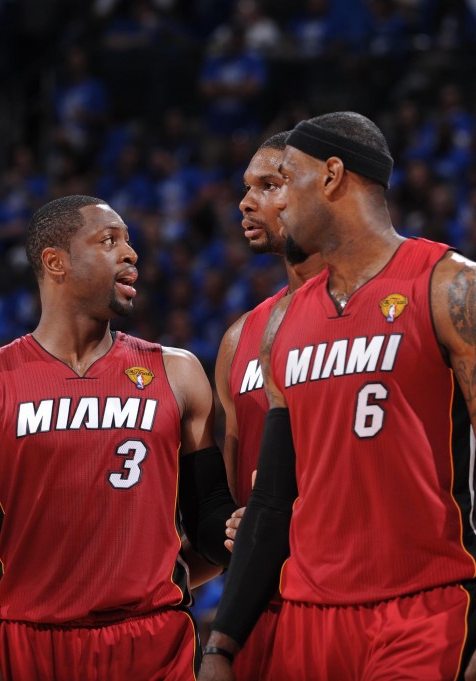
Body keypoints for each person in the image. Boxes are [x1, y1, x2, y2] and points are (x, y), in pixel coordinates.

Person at [200, 112, 476, 680]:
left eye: (286, 180)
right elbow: (273, 499)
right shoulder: (281, 323)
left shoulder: (455, 287)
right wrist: (222, 645)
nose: (276, 203)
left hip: (427, 607)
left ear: (332, 176)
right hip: (308, 619)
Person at [0, 195, 237, 680]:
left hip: (154, 642)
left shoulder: (178, 373)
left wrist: (233, 535)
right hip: (32, 646)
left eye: (129, 241)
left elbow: (210, 525)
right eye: (109, 240)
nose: (131, 253)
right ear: (56, 262)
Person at [214, 130, 325, 680]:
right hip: (262, 611)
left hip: (356, 595)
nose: (245, 202)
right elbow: (233, 493)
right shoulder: (240, 338)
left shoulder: (388, 312)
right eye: (246, 187)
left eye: (269, 185)